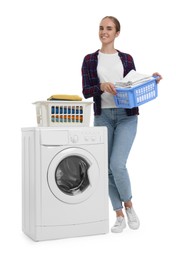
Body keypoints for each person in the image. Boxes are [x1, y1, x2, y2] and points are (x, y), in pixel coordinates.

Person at [81, 16, 162, 233]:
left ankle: (129, 206)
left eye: (109, 28)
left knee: (117, 164)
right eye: (101, 28)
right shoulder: (89, 59)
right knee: (106, 168)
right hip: (102, 116)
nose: (103, 32)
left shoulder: (126, 58)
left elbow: (133, 83)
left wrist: (151, 79)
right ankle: (118, 215)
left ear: (117, 33)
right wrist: (101, 86)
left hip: (127, 116)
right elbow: (86, 91)